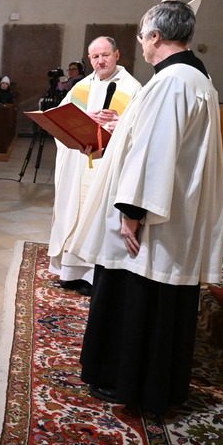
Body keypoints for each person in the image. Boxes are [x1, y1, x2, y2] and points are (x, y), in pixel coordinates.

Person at [73, 0, 223, 415]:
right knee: (161, 303)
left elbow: (156, 152)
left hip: (155, 217)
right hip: (173, 209)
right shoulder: (193, 76)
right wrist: (123, 124)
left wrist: (132, 213)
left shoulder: (171, 81)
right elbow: (161, 136)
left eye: (142, 35)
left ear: (156, 36)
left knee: (137, 296)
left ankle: (127, 381)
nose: (141, 43)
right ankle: (157, 384)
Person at [49, 36, 142, 295]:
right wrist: (80, 120)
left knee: (96, 216)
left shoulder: (132, 89)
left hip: (105, 166)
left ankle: (91, 276)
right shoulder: (81, 87)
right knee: (73, 212)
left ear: (117, 55)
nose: (100, 61)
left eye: (105, 55)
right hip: (79, 162)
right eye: (95, 57)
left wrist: (119, 124)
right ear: (89, 59)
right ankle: (69, 273)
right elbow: (61, 120)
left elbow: (139, 131)